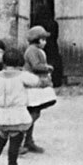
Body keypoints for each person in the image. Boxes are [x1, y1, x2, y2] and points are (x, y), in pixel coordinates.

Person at [0, 47, 52, 165]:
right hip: (17, 115)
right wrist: (47, 81)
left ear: (4, 62)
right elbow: (37, 82)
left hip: (2, 114)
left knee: (0, 140)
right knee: (15, 142)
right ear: (20, 64)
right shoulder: (22, 76)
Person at [22, 25, 57, 154]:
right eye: (43, 39)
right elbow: (36, 66)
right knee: (33, 113)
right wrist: (47, 67)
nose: (45, 42)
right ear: (36, 39)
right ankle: (21, 139)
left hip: (37, 84)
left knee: (35, 111)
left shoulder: (36, 50)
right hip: (32, 85)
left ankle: (28, 141)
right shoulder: (31, 50)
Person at [32, 4, 64, 87]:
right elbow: (55, 36)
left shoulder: (37, 23)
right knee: (53, 62)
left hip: (40, 45)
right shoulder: (54, 23)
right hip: (52, 46)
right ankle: (56, 82)